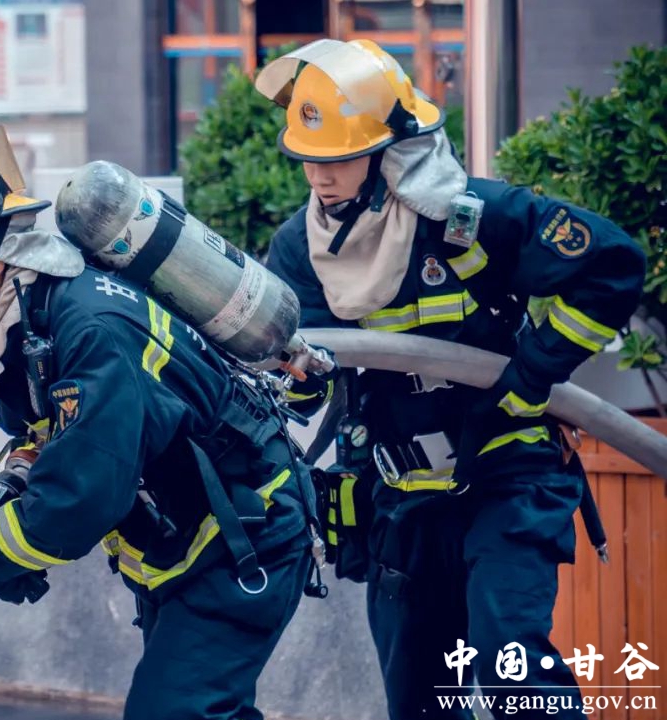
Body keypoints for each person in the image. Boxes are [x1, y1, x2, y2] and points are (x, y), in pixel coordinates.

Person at [254, 39, 645, 719]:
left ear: (389, 152)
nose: (320, 177)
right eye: (310, 159)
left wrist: (532, 375)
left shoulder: (469, 220)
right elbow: (299, 368)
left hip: (505, 474)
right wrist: (297, 380)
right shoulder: (301, 248)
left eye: (339, 158)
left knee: (513, 673)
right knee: (418, 701)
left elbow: (613, 266)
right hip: (400, 500)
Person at [0, 137, 323, 720]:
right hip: (191, 544)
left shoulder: (88, 327)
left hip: (242, 540)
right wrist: (5, 508)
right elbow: (50, 438)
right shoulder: (30, 322)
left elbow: (75, 504)